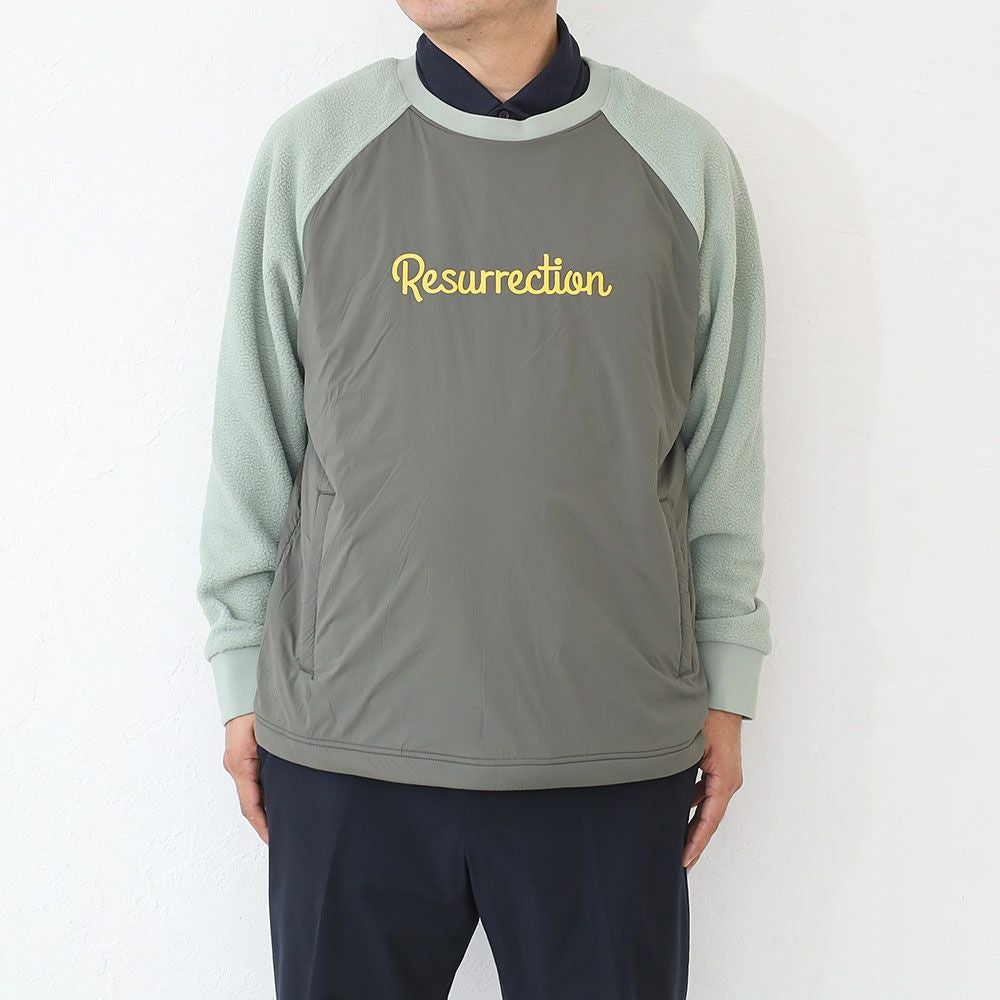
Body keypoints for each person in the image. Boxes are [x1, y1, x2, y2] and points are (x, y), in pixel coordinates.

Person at [195, 2, 772, 997]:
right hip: (349, 748)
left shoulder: (683, 161)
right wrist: (240, 667)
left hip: (606, 747)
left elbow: (722, 444)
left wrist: (727, 680)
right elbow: (256, 426)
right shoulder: (316, 150)